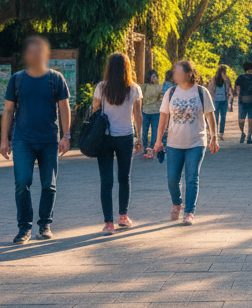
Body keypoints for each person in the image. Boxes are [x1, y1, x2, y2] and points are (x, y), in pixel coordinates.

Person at [0, 36, 71, 245]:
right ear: (26, 55)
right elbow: (8, 109)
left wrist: (66, 136)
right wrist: (5, 139)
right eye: (31, 51)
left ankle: (45, 224)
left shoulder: (55, 78)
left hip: (49, 139)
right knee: (22, 182)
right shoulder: (17, 79)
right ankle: (24, 228)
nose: (35, 55)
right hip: (23, 140)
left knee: (49, 185)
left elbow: (64, 107)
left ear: (46, 54)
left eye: (40, 51)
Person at [155, 60, 220, 225]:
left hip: (196, 142)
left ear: (188, 74)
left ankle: (189, 211)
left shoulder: (201, 92)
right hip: (174, 143)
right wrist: (157, 141)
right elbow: (163, 118)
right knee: (172, 179)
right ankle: (177, 203)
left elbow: (210, 116)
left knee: (192, 178)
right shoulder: (170, 92)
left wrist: (214, 137)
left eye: (178, 72)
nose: (174, 75)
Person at [91, 52, 143, 236]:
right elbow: (138, 116)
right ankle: (123, 216)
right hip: (125, 137)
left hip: (104, 137)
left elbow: (95, 109)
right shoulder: (134, 88)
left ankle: (108, 223)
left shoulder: (101, 87)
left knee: (106, 180)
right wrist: (140, 138)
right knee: (124, 178)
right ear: (126, 68)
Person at [139, 69, 163, 158]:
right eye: (153, 76)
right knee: (144, 131)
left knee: (155, 131)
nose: (154, 78)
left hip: (156, 111)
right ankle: (144, 148)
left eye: (156, 76)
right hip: (145, 110)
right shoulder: (144, 86)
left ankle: (152, 149)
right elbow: (141, 98)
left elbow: (161, 98)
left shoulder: (159, 87)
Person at [233, 62, 252, 144]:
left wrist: (239, 97)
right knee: (251, 120)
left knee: (241, 119)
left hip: (242, 101)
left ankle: (242, 132)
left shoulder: (240, 78)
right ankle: (249, 137)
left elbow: (237, 89)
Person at [209, 64, 231, 143]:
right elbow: (210, 89)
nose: (224, 73)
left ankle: (221, 133)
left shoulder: (226, 79)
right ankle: (215, 133)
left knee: (223, 117)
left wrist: (229, 98)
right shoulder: (214, 79)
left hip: (224, 100)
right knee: (216, 117)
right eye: (223, 71)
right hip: (216, 100)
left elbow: (229, 89)